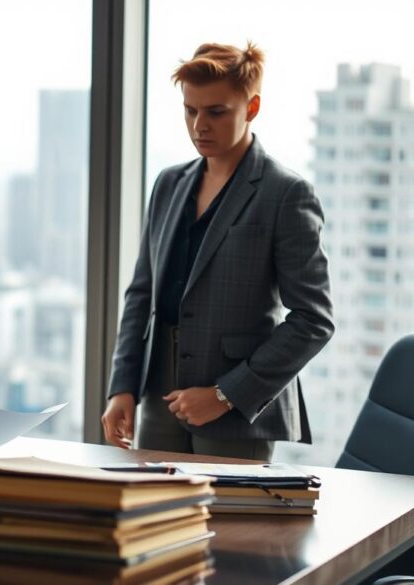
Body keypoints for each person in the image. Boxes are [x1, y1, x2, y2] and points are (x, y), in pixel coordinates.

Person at [101, 41, 334, 460]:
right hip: (159, 395)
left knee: (230, 526)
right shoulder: (168, 184)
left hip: (238, 410)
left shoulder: (286, 194)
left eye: (216, 112)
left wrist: (226, 394)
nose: (198, 126)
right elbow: (141, 294)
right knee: (154, 518)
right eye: (190, 110)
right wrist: (122, 386)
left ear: (253, 106)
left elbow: (313, 320)